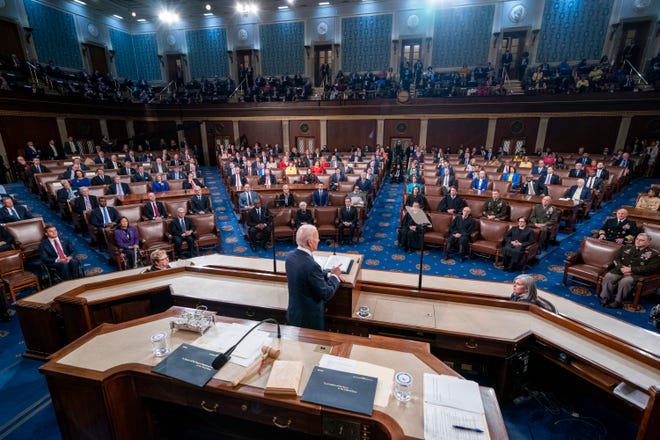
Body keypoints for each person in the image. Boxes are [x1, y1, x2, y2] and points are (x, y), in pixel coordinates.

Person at [285, 225, 342, 331]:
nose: (319, 240)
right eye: (317, 237)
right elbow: (326, 294)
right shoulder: (312, 266)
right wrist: (335, 276)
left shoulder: (289, 256)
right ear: (310, 242)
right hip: (308, 321)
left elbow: (306, 273)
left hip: (294, 314)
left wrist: (328, 274)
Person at [599, 233, 660, 309]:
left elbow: (650, 269)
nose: (638, 241)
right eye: (637, 239)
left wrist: (631, 269)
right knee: (609, 276)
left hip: (635, 274)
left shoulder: (654, 254)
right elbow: (616, 259)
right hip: (620, 270)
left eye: (642, 240)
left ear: (648, 243)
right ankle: (605, 297)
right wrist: (621, 267)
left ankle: (618, 301)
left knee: (625, 281)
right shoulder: (626, 247)